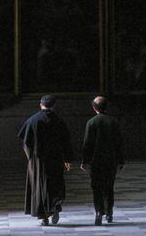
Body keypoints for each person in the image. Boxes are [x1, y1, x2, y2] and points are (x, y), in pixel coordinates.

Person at [18, 95, 73, 226]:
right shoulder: (59, 121)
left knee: (39, 187)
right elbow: (66, 142)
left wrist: (30, 158)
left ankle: (44, 218)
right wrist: (67, 159)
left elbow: (26, 143)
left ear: (40, 104)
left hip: (37, 161)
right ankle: (54, 207)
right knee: (54, 184)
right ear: (54, 106)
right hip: (55, 159)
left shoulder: (33, 120)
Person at [80, 96, 124, 226]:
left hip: (96, 161)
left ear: (94, 108)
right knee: (109, 187)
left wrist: (85, 160)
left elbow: (87, 143)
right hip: (111, 160)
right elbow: (119, 142)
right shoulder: (113, 121)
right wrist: (121, 160)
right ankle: (109, 212)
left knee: (96, 187)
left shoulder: (91, 122)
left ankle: (99, 212)